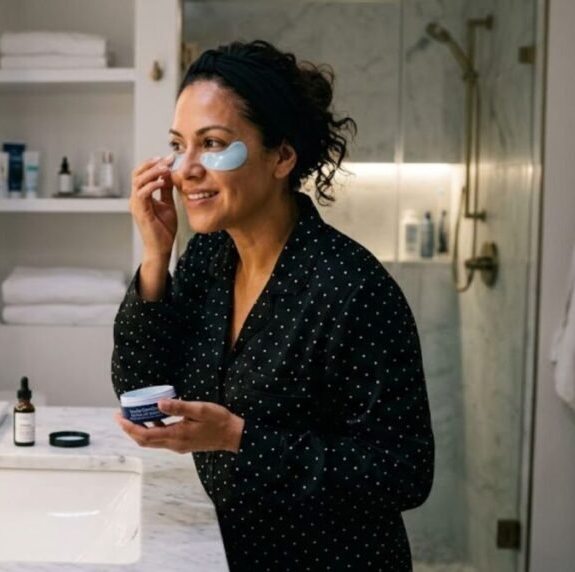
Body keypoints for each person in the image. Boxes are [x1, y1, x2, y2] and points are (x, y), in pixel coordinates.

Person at [112, 40, 435, 571]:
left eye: (212, 143)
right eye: (178, 144)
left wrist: (241, 439)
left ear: (282, 156)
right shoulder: (208, 258)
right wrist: (155, 255)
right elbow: (141, 389)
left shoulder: (351, 289)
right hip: (230, 551)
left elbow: (405, 471)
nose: (184, 169)